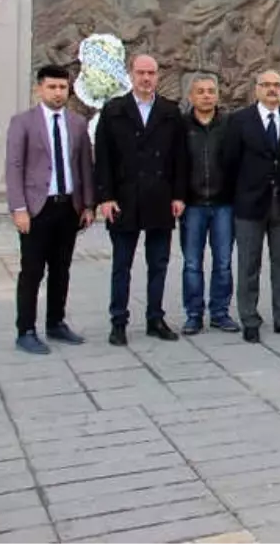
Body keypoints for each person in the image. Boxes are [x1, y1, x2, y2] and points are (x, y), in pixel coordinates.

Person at [94, 54, 187, 346]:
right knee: (122, 264)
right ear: (131, 75)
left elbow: (180, 158)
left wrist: (179, 195)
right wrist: (105, 197)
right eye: (141, 73)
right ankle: (118, 321)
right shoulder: (114, 111)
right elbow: (104, 159)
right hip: (124, 197)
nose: (146, 78)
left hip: (160, 197)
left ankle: (155, 318)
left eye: (151, 73)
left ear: (158, 76)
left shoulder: (170, 111)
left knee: (158, 263)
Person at [5, 65, 94, 354]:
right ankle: (26, 330)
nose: (58, 93)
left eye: (62, 87)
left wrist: (88, 205)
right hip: (36, 209)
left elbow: (84, 168)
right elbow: (14, 166)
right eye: (52, 87)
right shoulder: (23, 123)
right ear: (39, 89)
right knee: (32, 271)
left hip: (67, 207)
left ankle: (56, 322)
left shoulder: (77, 123)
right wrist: (19, 208)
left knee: (61, 269)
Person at [223, 69, 280, 342]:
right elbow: (231, 161)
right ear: (256, 89)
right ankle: (250, 319)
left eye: (277, 85)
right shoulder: (239, 120)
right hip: (250, 204)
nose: (272, 90)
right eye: (266, 85)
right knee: (249, 264)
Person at [180, 73, 239, 335]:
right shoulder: (181, 126)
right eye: (200, 91)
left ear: (217, 95)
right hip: (192, 205)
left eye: (211, 91)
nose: (206, 95)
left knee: (223, 262)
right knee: (192, 263)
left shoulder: (229, 125)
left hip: (224, 204)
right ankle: (193, 314)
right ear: (191, 96)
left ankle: (220, 312)